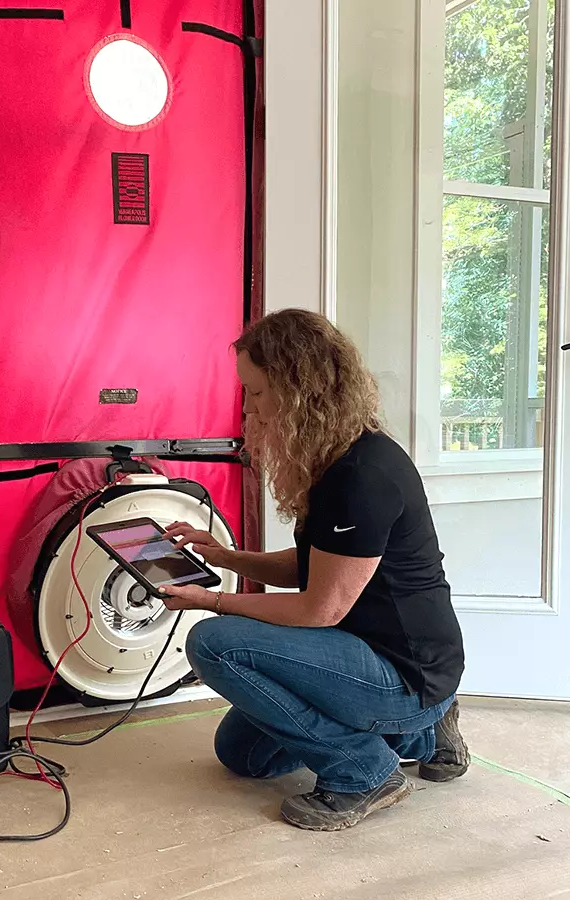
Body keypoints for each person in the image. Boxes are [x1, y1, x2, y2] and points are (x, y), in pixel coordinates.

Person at [159, 309, 468, 832]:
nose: (249, 409)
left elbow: (319, 607)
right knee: (243, 755)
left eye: (256, 394)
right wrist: (226, 558)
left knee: (213, 642)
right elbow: (314, 568)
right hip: (365, 651)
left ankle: (366, 771)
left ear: (298, 390)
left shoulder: (362, 476)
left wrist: (212, 600)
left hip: (403, 672)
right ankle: (423, 735)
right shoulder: (334, 461)